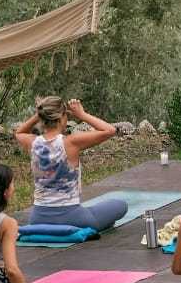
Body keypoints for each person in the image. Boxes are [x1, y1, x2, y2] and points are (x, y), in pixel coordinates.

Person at [14, 96, 126, 230]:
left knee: (98, 211)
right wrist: (82, 114)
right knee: (120, 205)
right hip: (72, 218)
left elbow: (19, 132)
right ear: (61, 117)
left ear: (43, 117)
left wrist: (38, 114)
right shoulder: (71, 142)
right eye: (66, 115)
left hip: (38, 217)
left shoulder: (32, 142)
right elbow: (110, 130)